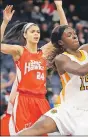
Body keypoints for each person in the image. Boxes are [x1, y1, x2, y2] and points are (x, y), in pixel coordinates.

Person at [16, 17, 88, 135]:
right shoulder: (61, 59)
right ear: (61, 43)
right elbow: (82, 70)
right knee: (33, 130)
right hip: (68, 109)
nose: (74, 36)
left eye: (74, 33)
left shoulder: (86, 49)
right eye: (69, 35)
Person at [0, 1, 67, 135]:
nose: (36, 34)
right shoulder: (19, 51)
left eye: (37, 31)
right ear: (25, 35)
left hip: (41, 100)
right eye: (32, 32)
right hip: (24, 100)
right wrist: (5, 22)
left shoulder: (44, 52)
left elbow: (64, 33)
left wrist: (59, 7)